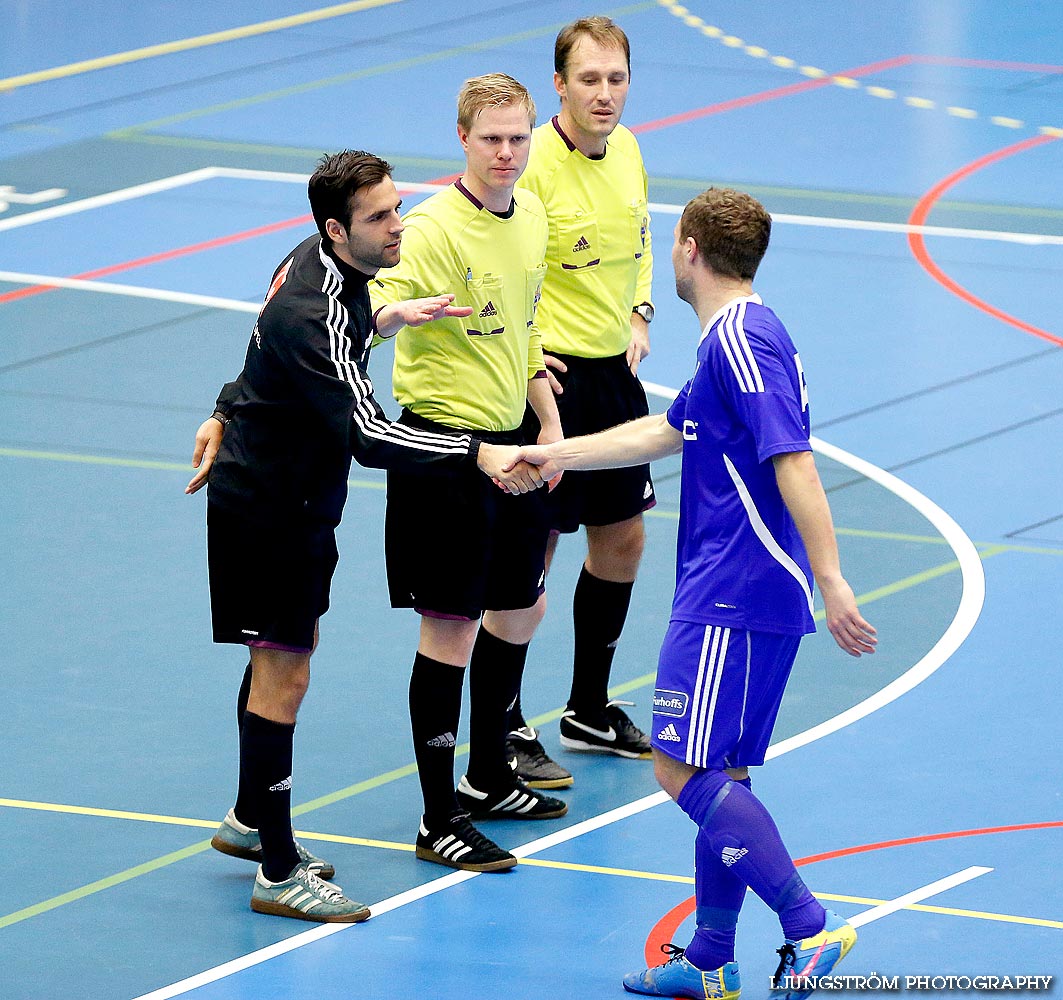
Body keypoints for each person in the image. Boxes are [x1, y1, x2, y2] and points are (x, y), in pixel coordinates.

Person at [508, 187, 877, 998]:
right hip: (747, 597)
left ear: (687, 249)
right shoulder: (736, 340)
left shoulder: (739, 340)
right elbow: (666, 431)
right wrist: (561, 451)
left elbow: (794, 459)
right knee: (722, 781)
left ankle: (809, 929)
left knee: (678, 773)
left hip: (731, 593)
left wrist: (833, 579)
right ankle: (710, 962)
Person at [186, 149, 541, 922]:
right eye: (379, 216)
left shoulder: (319, 267)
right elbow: (370, 433)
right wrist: (476, 452)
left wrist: (387, 318)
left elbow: (257, 359)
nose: (398, 224)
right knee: (286, 675)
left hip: (291, 500)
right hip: (270, 510)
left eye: (396, 206)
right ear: (334, 228)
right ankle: (277, 872)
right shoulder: (310, 311)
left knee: (275, 662)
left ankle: (251, 823)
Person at [368, 72, 570, 875]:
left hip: (514, 441)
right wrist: (397, 313)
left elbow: (523, 329)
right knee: (448, 628)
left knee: (520, 604)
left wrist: (549, 427)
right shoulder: (427, 230)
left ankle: (489, 773)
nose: (507, 153)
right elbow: (370, 306)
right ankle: (436, 814)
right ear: (462, 138)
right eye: (491, 138)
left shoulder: (532, 218)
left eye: (518, 137)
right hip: (444, 451)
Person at [503, 15, 658, 789]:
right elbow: (496, 266)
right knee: (534, 554)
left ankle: (588, 707)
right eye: (589, 80)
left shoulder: (627, 149)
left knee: (621, 538)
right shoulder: (528, 165)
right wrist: (529, 358)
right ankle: (503, 723)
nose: (604, 94)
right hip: (549, 384)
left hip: (612, 378)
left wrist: (640, 312)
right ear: (558, 85)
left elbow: (640, 238)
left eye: (616, 79)